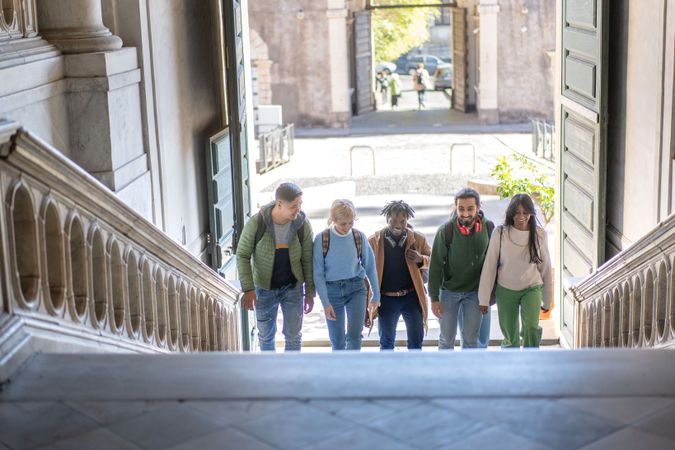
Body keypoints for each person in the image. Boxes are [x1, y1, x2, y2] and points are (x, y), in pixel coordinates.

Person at [236, 182, 315, 351]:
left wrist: (310, 292)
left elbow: (308, 260)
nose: (298, 209)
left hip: (293, 288)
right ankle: (269, 375)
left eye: (300, 204)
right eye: (294, 206)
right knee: (266, 337)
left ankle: (292, 376)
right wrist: (248, 288)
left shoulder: (302, 224)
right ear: (279, 204)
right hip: (264, 290)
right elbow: (242, 255)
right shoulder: (257, 222)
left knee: (294, 337)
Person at [478, 193, 552, 348]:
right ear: (511, 213)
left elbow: (545, 268)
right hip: (505, 290)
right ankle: (512, 367)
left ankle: (531, 363)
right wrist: (483, 298)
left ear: (531, 214)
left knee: (531, 328)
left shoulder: (539, 235)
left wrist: (547, 299)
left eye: (525, 213)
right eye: (517, 212)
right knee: (511, 337)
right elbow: (490, 266)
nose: (521, 217)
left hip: (531, 288)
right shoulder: (500, 233)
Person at [428, 188, 495, 350]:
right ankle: (447, 374)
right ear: (456, 208)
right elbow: (435, 265)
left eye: (470, 209)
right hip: (450, 291)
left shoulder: (488, 228)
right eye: (461, 209)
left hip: (475, 292)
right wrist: (434, 298)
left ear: (478, 207)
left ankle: (468, 373)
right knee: (446, 339)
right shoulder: (446, 231)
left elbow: (494, 262)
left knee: (471, 340)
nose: (465, 214)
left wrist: (490, 293)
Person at [313, 199, 380, 351]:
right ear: (334, 220)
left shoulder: (358, 237)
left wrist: (376, 294)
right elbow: (318, 274)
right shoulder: (322, 239)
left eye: (351, 223)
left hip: (356, 288)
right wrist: (325, 303)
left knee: (355, 336)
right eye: (343, 224)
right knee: (337, 340)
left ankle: (352, 371)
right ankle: (339, 372)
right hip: (332, 292)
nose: (347, 227)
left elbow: (370, 266)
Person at [368, 200, 431, 350]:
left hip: (411, 297)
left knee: (416, 341)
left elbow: (434, 261)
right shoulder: (374, 241)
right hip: (386, 299)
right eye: (394, 220)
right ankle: (388, 372)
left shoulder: (418, 239)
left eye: (402, 221)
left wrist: (420, 259)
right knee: (386, 342)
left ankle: (414, 371)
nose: (398, 224)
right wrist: (368, 303)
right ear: (387, 218)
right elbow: (366, 272)